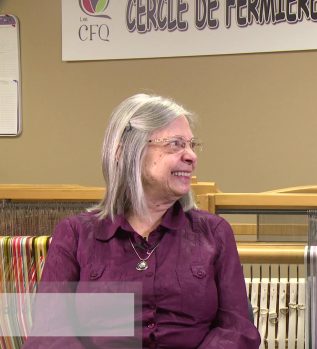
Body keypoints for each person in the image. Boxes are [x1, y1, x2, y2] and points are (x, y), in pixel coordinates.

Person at [24, 93, 261, 348]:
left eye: (192, 145)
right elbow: (49, 335)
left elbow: (237, 329)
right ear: (125, 151)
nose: (191, 156)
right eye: (176, 144)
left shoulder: (214, 233)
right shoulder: (75, 235)